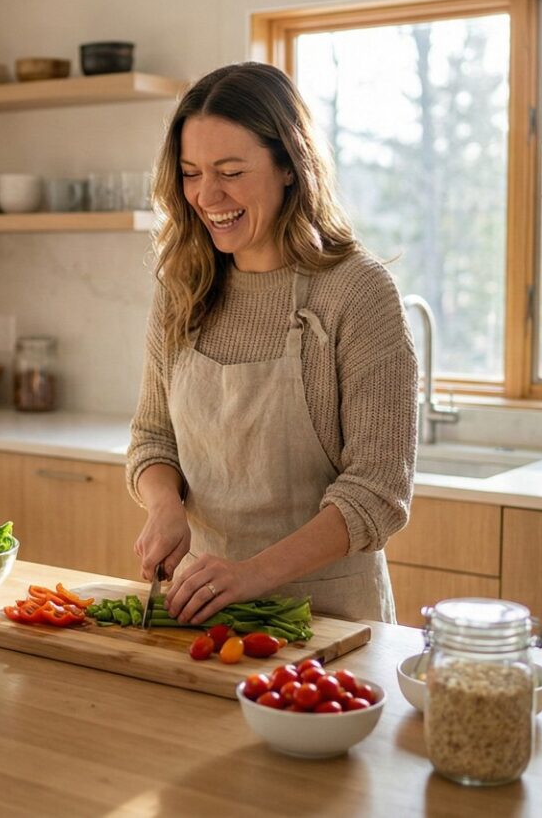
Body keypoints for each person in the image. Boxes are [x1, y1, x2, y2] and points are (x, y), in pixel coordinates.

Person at [127, 62, 418, 625]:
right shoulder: (183, 287)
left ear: (289, 165)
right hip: (202, 610)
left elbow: (378, 493)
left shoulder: (357, 292)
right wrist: (164, 506)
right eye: (190, 173)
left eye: (230, 171)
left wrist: (249, 575)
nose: (207, 195)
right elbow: (152, 437)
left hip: (330, 622)